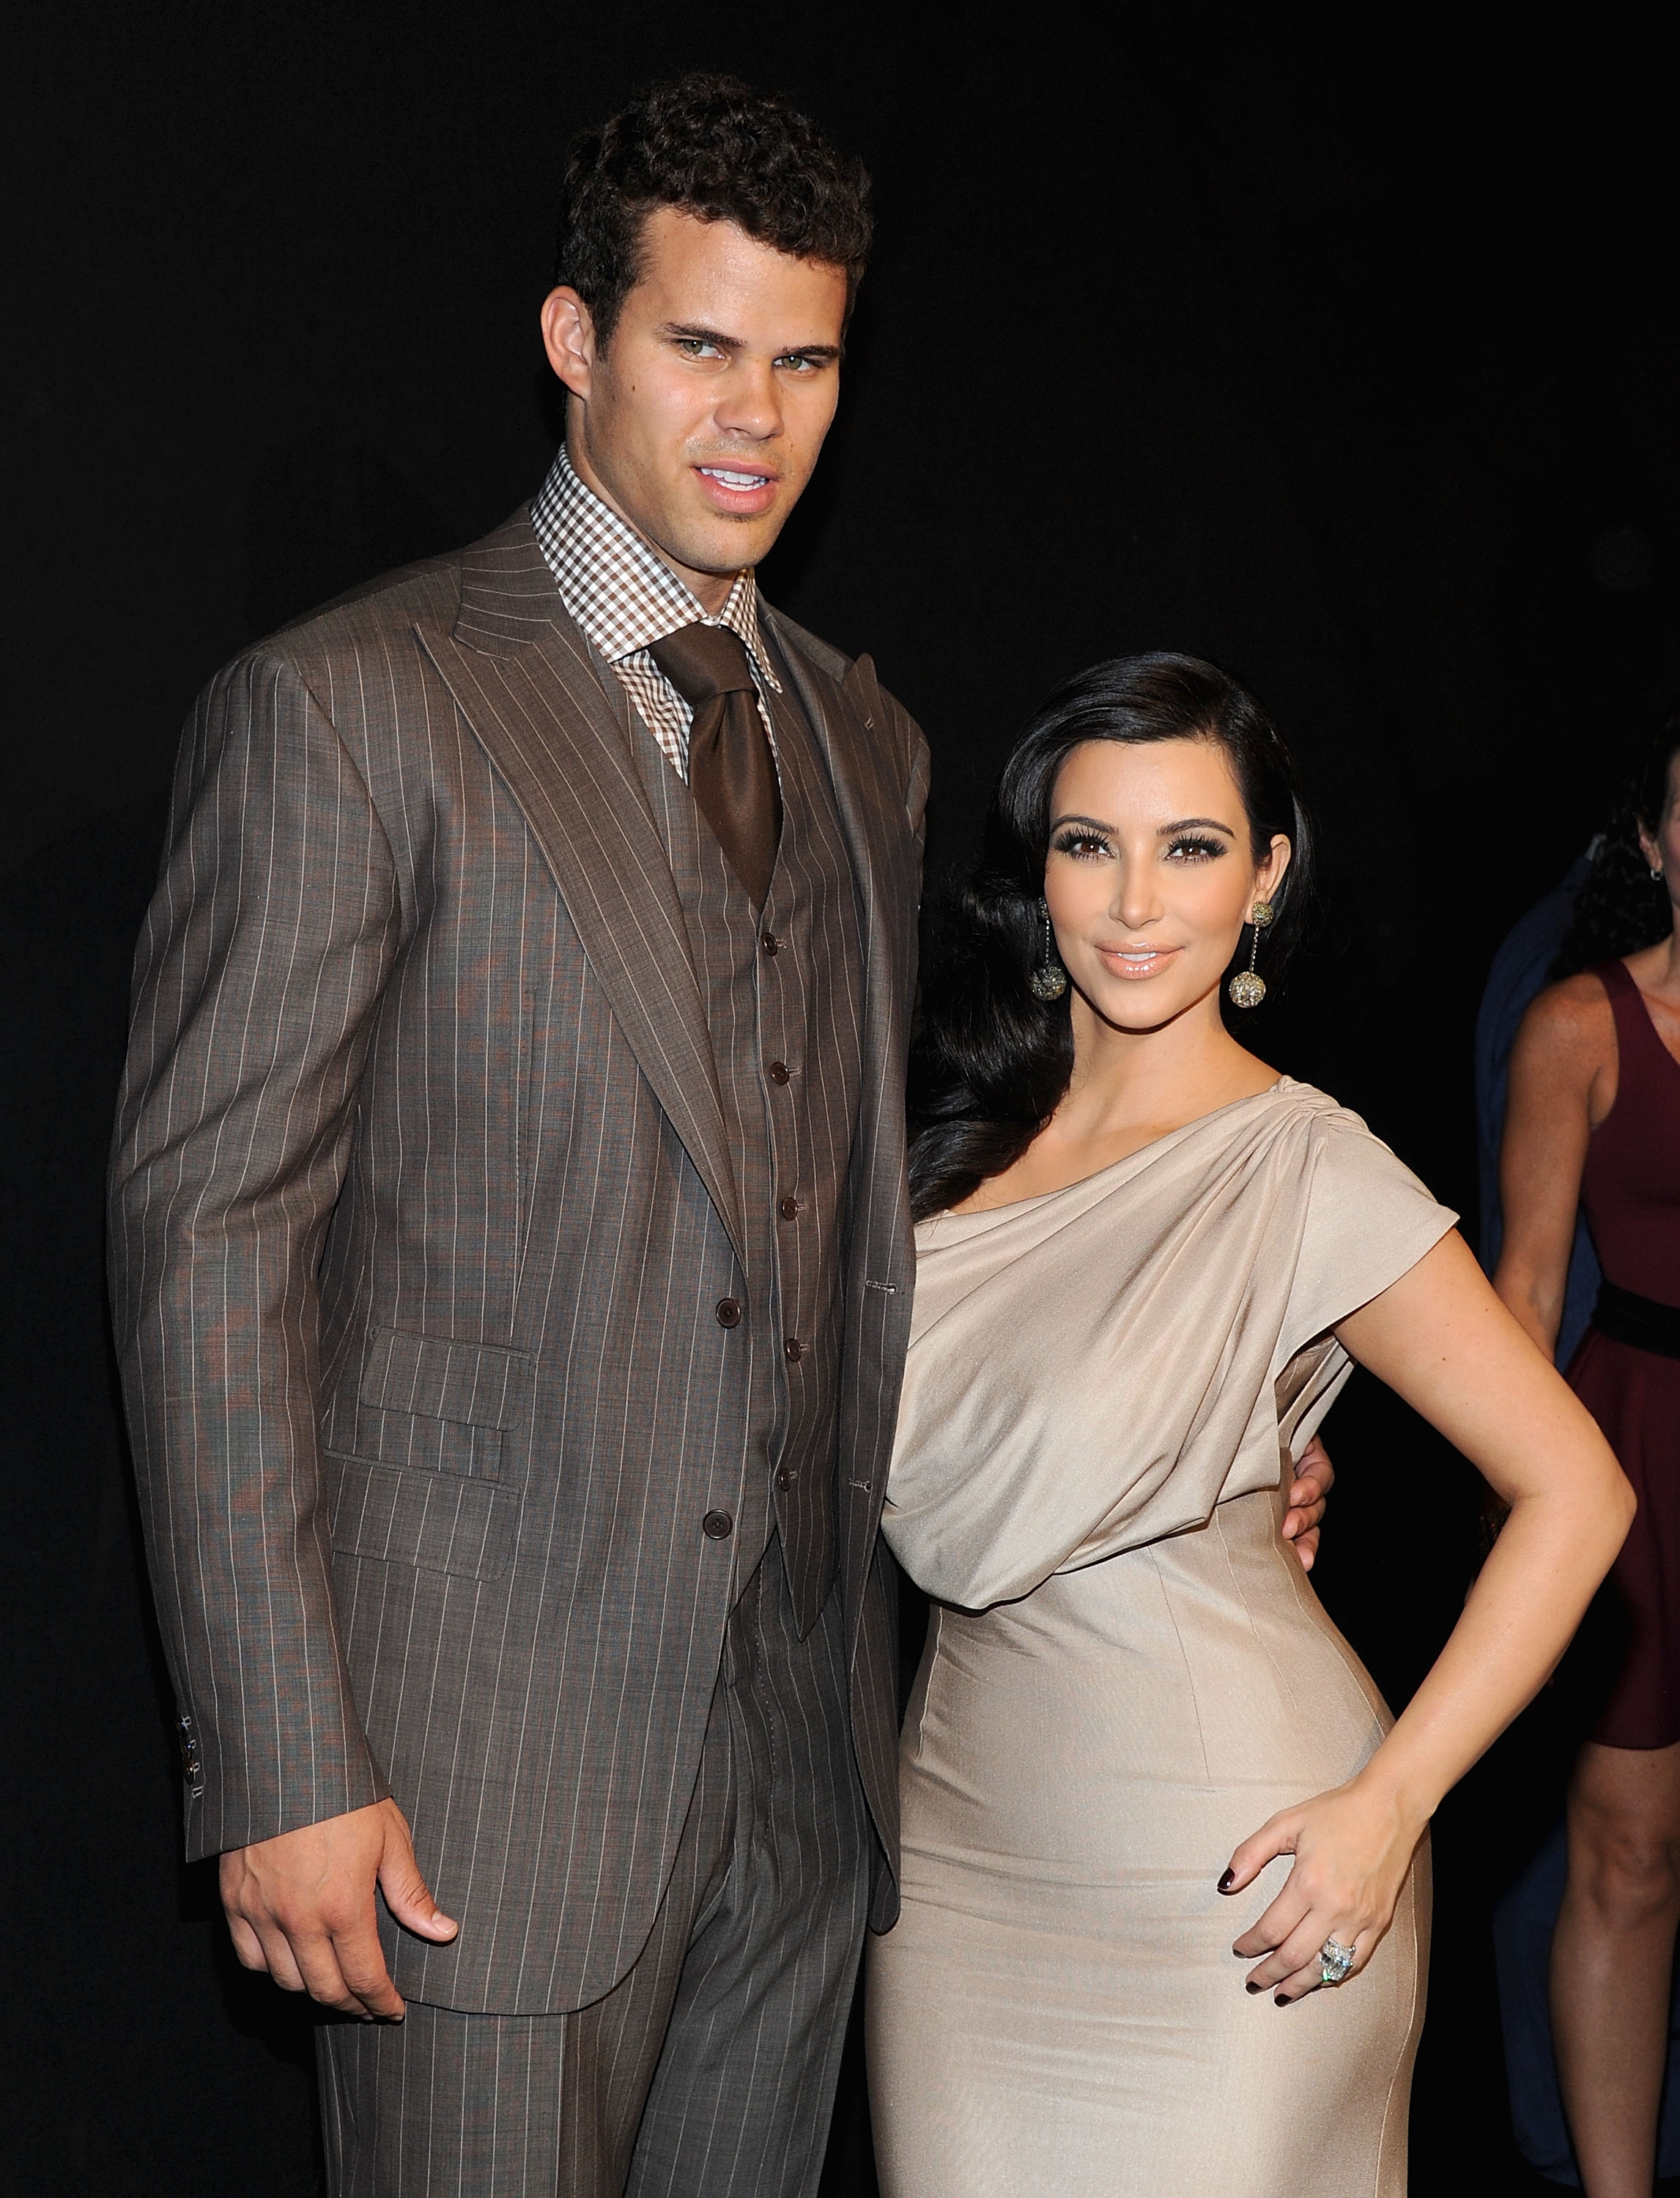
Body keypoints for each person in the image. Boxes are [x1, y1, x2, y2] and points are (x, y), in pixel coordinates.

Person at [107, 75, 1334, 2195]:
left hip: (806, 1776)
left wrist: (1205, 1435)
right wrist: (282, 1758)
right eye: (699, 343)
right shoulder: (349, 708)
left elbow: (863, 1221)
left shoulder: (863, 737)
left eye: (807, 358)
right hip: (466, 1789)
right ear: (573, 339)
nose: (757, 412)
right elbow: (208, 1243)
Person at [864, 654, 1632, 2197]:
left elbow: (1578, 1493)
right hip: (954, 1878)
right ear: (1036, 874)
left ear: (1265, 877)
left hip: (1236, 1868)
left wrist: (1390, 1806)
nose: (1135, 901)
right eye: (1089, 844)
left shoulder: (1304, 1167)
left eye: (1191, 847)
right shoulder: (945, 1158)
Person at [1494, 708, 1680, 2198]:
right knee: (1626, 1861)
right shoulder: (1577, 1025)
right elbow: (1520, 1300)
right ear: (1653, 844)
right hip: (1642, 1451)